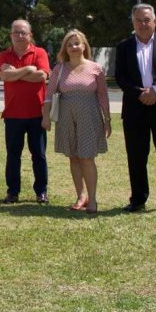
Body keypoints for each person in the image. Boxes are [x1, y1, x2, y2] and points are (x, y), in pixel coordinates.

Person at [114, 3, 156, 214]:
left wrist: (155, 90)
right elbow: (120, 77)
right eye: (138, 20)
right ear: (133, 23)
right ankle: (138, 200)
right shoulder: (124, 46)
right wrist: (141, 94)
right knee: (136, 157)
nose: (143, 24)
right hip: (136, 110)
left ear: (155, 21)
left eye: (147, 20)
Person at [42, 30, 111, 213]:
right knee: (73, 157)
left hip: (90, 116)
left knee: (87, 158)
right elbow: (48, 95)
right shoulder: (59, 69)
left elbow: (102, 96)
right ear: (65, 48)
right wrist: (45, 117)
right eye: (70, 44)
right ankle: (81, 196)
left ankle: (93, 199)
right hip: (66, 116)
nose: (73, 47)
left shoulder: (95, 68)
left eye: (77, 43)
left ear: (84, 46)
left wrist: (107, 119)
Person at [0, 19, 51, 204]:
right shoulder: (4, 55)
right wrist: (28, 69)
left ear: (30, 35)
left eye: (23, 32)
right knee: (13, 155)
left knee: (39, 155)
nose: (19, 36)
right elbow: (4, 76)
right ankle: (13, 192)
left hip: (37, 113)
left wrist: (15, 75)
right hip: (12, 115)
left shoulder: (40, 52)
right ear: (11, 35)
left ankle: (41, 192)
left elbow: (42, 76)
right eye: (15, 32)